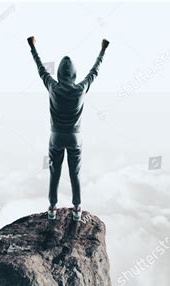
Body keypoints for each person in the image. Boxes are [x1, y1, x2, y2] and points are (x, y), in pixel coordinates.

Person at [27, 36, 109, 221]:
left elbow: (40, 68)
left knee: (54, 172)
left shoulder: (52, 87)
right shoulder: (81, 88)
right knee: (75, 173)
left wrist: (32, 46)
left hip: (55, 136)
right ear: (74, 74)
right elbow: (94, 71)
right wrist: (103, 49)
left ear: (59, 74)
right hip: (75, 137)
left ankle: (52, 208)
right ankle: (77, 209)